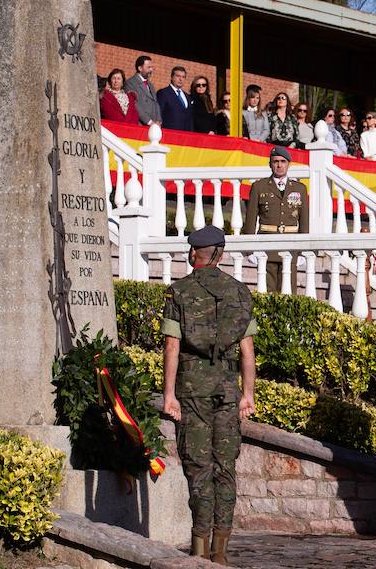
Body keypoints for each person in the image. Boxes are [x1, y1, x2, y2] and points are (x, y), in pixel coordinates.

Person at [161, 225, 257, 564]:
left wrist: (168, 394)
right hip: (228, 392)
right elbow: (247, 350)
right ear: (221, 253)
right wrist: (248, 394)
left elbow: (172, 346)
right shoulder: (240, 293)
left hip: (192, 392)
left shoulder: (179, 292)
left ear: (194, 254)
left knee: (198, 468)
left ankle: (199, 550)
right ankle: (221, 552)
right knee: (225, 468)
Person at [243, 146, 309, 292]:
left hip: (290, 245)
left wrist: (303, 251)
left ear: (288, 164)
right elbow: (251, 219)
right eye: (275, 161)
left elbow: (304, 221)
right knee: (267, 291)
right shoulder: (259, 187)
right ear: (270, 164)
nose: (279, 165)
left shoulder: (299, 189)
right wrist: (249, 249)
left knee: (288, 292)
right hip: (266, 244)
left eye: (283, 161)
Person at [124, 55, 161, 127]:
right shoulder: (131, 83)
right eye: (148, 67)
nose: (151, 70)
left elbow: (156, 103)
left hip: (154, 126)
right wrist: (149, 122)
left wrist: (158, 121)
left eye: (152, 67)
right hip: (140, 125)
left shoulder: (150, 85)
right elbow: (135, 105)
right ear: (140, 68)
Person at [157, 66, 193, 131]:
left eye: (183, 77)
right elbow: (158, 114)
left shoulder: (187, 97)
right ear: (172, 77)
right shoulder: (163, 93)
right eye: (178, 76)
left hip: (186, 135)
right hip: (170, 134)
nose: (181, 79)